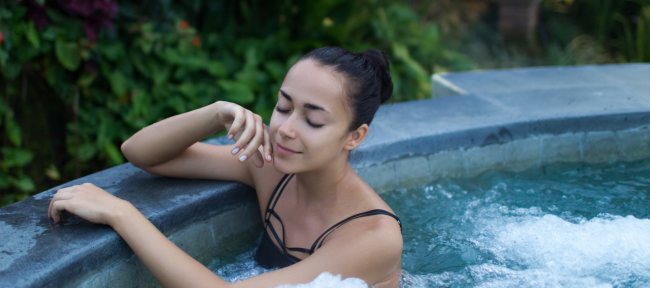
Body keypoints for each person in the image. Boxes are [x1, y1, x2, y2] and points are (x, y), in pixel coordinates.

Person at [48, 46, 403, 288]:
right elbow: (141, 153)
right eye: (283, 107)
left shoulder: (373, 238)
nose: (285, 129)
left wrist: (120, 213)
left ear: (354, 137)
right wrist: (217, 113)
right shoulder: (271, 166)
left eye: (313, 120)